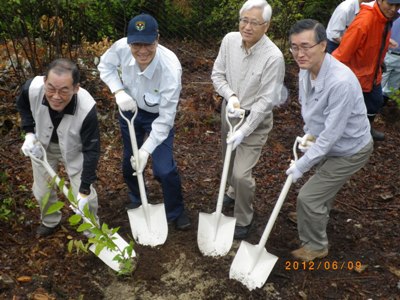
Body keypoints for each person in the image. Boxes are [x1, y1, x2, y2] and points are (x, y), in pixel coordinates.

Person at [287, 19, 373, 262]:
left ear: (323, 45)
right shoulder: (306, 71)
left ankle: (315, 246)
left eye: (306, 46)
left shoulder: (340, 83)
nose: (299, 54)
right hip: (330, 142)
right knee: (317, 193)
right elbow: (309, 110)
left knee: (308, 197)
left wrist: (301, 166)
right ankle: (313, 214)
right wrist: (308, 135)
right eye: (294, 47)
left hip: (350, 150)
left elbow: (331, 137)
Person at [97, 13, 190, 230]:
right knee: (129, 161)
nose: (142, 50)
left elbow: (167, 118)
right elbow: (105, 66)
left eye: (148, 43)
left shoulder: (170, 68)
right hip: (129, 109)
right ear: (129, 41)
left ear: (157, 38)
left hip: (158, 117)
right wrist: (119, 92)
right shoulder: (120, 48)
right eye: (136, 44)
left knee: (164, 169)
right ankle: (137, 198)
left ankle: (176, 210)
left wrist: (146, 151)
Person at [211, 0, 285, 240]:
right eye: (244, 20)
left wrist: (245, 130)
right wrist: (230, 96)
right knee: (228, 161)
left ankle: (244, 218)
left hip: (255, 118)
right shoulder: (229, 41)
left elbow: (266, 102)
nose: (248, 26)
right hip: (230, 112)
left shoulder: (273, 57)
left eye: (255, 22)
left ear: (267, 26)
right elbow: (217, 74)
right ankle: (231, 191)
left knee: (242, 174)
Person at [17, 58, 100, 238]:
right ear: (45, 81)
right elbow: (22, 105)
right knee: (42, 192)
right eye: (51, 88)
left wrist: (84, 190)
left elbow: (92, 151)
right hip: (42, 147)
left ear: (76, 88)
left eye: (64, 90)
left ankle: (92, 231)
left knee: (88, 199)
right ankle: (50, 221)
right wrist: (29, 133)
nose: (56, 96)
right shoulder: (32, 88)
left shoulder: (87, 109)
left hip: (75, 149)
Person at [333, 0, 400, 141]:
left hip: (373, 73)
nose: (394, 9)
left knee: (375, 102)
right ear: (380, 1)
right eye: (390, 4)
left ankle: (365, 130)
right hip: (356, 76)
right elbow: (343, 52)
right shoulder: (365, 21)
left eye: (398, 5)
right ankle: (343, 137)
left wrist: (380, 62)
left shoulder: (385, 19)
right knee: (348, 109)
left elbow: (374, 44)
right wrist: (332, 77)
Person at [382, 16, 400, 103]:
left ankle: (383, 108)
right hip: (389, 53)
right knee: (380, 82)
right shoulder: (395, 13)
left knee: (393, 87)